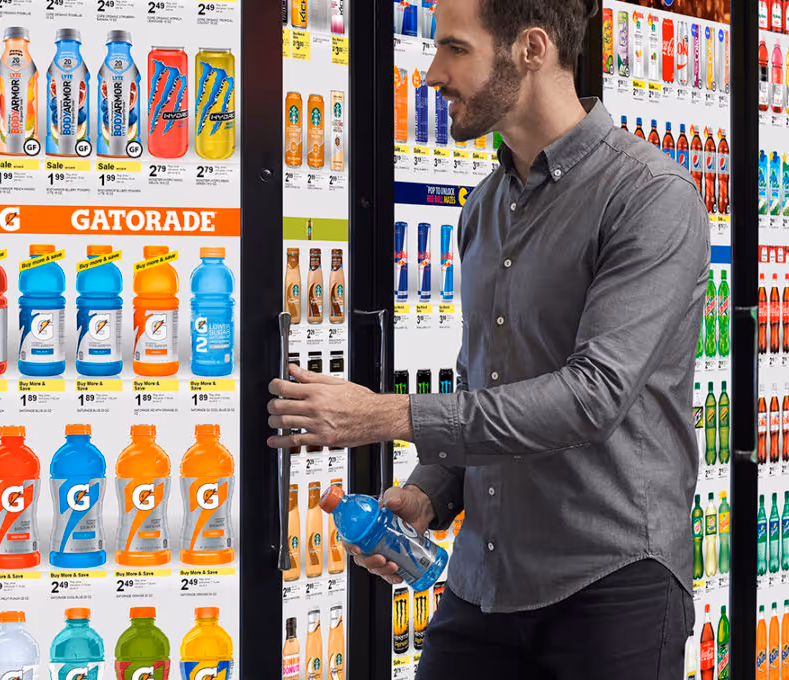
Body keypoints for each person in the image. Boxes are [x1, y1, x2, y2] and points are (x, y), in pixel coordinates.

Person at [267, 0, 710, 677]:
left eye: (454, 49)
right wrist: (427, 494)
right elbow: (484, 385)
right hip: (482, 581)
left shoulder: (649, 196)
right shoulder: (483, 206)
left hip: (611, 583)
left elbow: (594, 397)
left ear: (531, 50)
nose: (430, 73)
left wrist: (384, 415)